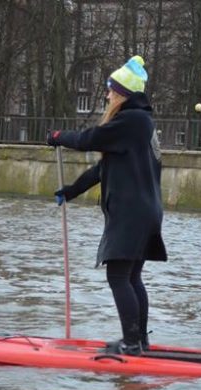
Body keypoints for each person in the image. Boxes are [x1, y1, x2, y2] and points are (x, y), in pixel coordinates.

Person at [47, 55, 166, 355]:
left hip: (132, 213)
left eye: (111, 89)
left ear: (123, 92)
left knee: (118, 276)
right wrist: (71, 191)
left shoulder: (132, 120)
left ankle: (131, 343)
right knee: (131, 276)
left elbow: (91, 138)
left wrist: (60, 137)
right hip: (145, 211)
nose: (107, 94)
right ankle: (139, 342)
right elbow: (104, 169)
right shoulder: (139, 124)